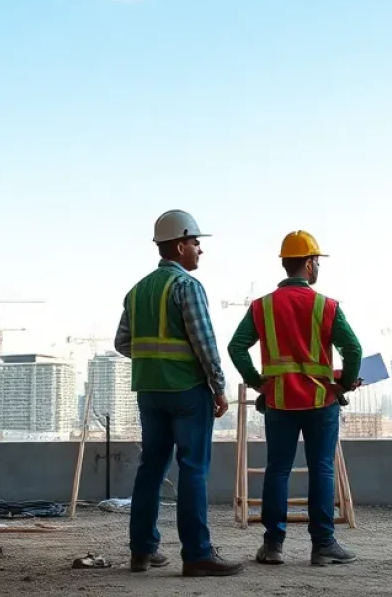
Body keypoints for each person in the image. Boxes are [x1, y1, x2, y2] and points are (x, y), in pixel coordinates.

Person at [114, 210, 243, 578]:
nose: (200, 250)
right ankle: (198, 554)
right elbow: (204, 343)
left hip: (149, 391)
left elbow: (123, 342)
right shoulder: (186, 287)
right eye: (197, 243)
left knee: (151, 468)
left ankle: (142, 551)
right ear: (180, 243)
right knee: (193, 469)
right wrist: (218, 387)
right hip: (187, 391)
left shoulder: (137, 290)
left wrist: (153, 361)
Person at [227, 230, 361, 567]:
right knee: (322, 469)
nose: (318, 267)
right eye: (316, 260)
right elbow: (353, 348)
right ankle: (323, 545)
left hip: (280, 402)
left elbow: (236, 347)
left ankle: (273, 546)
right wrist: (342, 385)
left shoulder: (263, 306)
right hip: (321, 402)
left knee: (278, 470)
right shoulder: (326, 305)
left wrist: (259, 384)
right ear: (308, 263)